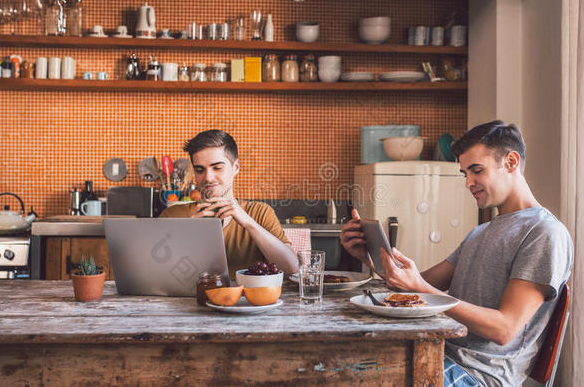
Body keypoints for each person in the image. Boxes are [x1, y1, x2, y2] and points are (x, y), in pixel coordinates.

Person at [340, 121, 573, 387]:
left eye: (476, 171)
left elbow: (504, 329)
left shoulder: (543, 232)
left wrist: (420, 288)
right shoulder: (480, 233)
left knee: (349, 373)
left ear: (511, 162)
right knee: (344, 363)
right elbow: (413, 287)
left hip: (478, 376)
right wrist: (367, 258)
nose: (468, 183)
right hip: (438, 352)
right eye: (465, 174)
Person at [160, 129, 299, 278]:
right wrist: (188, 234)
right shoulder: (172, 215)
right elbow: (158, 273)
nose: (208, 177)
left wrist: (249, 223)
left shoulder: (261, 213)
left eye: (217, 167)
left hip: (248, 300)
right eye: (199, 170)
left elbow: (291, 269)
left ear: (236, 168)